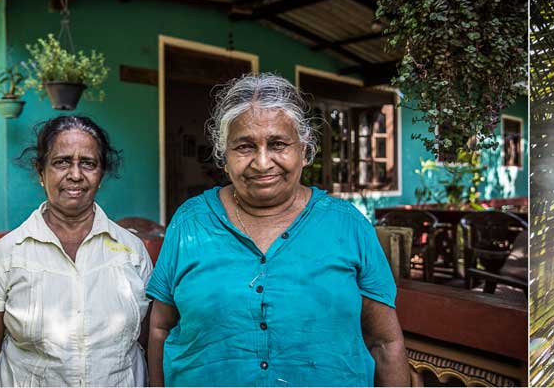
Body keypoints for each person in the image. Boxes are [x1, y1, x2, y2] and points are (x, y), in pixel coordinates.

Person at [146, 73, 409, 387]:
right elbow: (161, 328)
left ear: (304, 148)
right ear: (224, 156)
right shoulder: (190, 223)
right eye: (244, 146)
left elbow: (385, 343)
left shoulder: (348, 225)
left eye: (278, 144)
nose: (261, 162)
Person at [0, 116, 153, 387]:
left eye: (88, 163)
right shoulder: (4, 257)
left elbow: (144, 344)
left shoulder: (132, 253)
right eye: (62, 162)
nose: (75, 174)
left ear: (101, 174)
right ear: (41, 173)